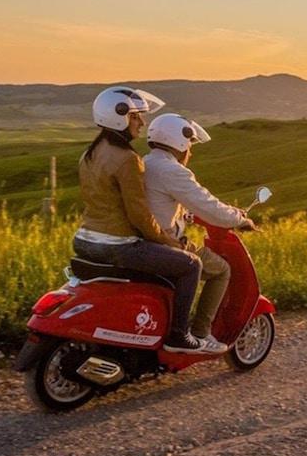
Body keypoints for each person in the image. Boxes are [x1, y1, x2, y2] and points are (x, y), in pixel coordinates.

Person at [73, 86, 207, 354]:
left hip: (84, 241)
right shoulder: (128, 160)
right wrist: (171, 241)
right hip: (117, 245)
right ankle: (179, 335)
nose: (142, 123)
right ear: (119, 116)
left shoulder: (89, 154)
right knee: (191, 265)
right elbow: (140, 216)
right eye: (136, 117)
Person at [143, 113, 256, 354]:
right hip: (166, 244)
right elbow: (208, 204)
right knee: (221, 270)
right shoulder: (173, 171)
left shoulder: (145, 163)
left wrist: (188, 216)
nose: (191, 153)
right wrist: (240, 219)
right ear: (180, 143)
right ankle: (200, 334)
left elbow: (163, 204)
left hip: (144, 241)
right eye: (190, 146)